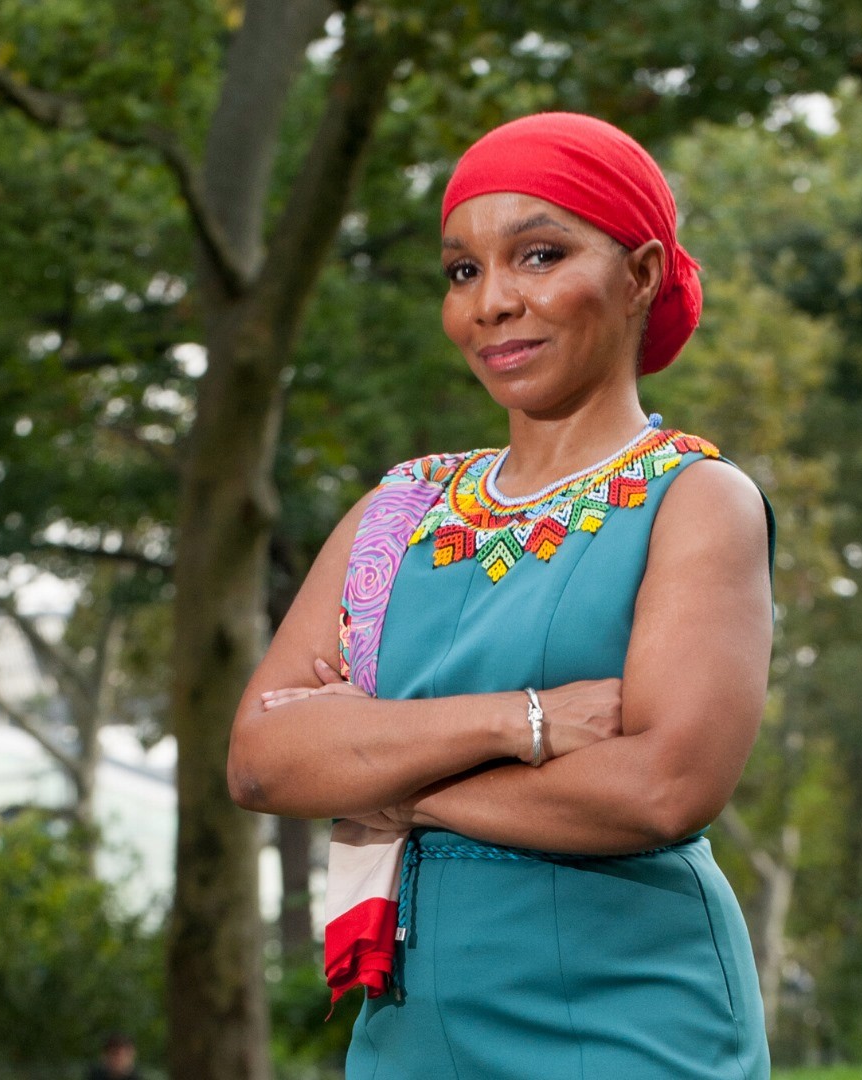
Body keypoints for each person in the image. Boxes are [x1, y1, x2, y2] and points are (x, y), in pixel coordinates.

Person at [229, 111, 775, 1079]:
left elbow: (663, 789)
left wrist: (384, 772)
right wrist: (522, 723)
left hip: (631, 1026)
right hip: (409, 1033)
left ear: (641, 274)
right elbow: (265, 762)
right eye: (463, 271)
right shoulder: (397, 513)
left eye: (539, 255)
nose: (492, 303)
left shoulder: (695, 502)